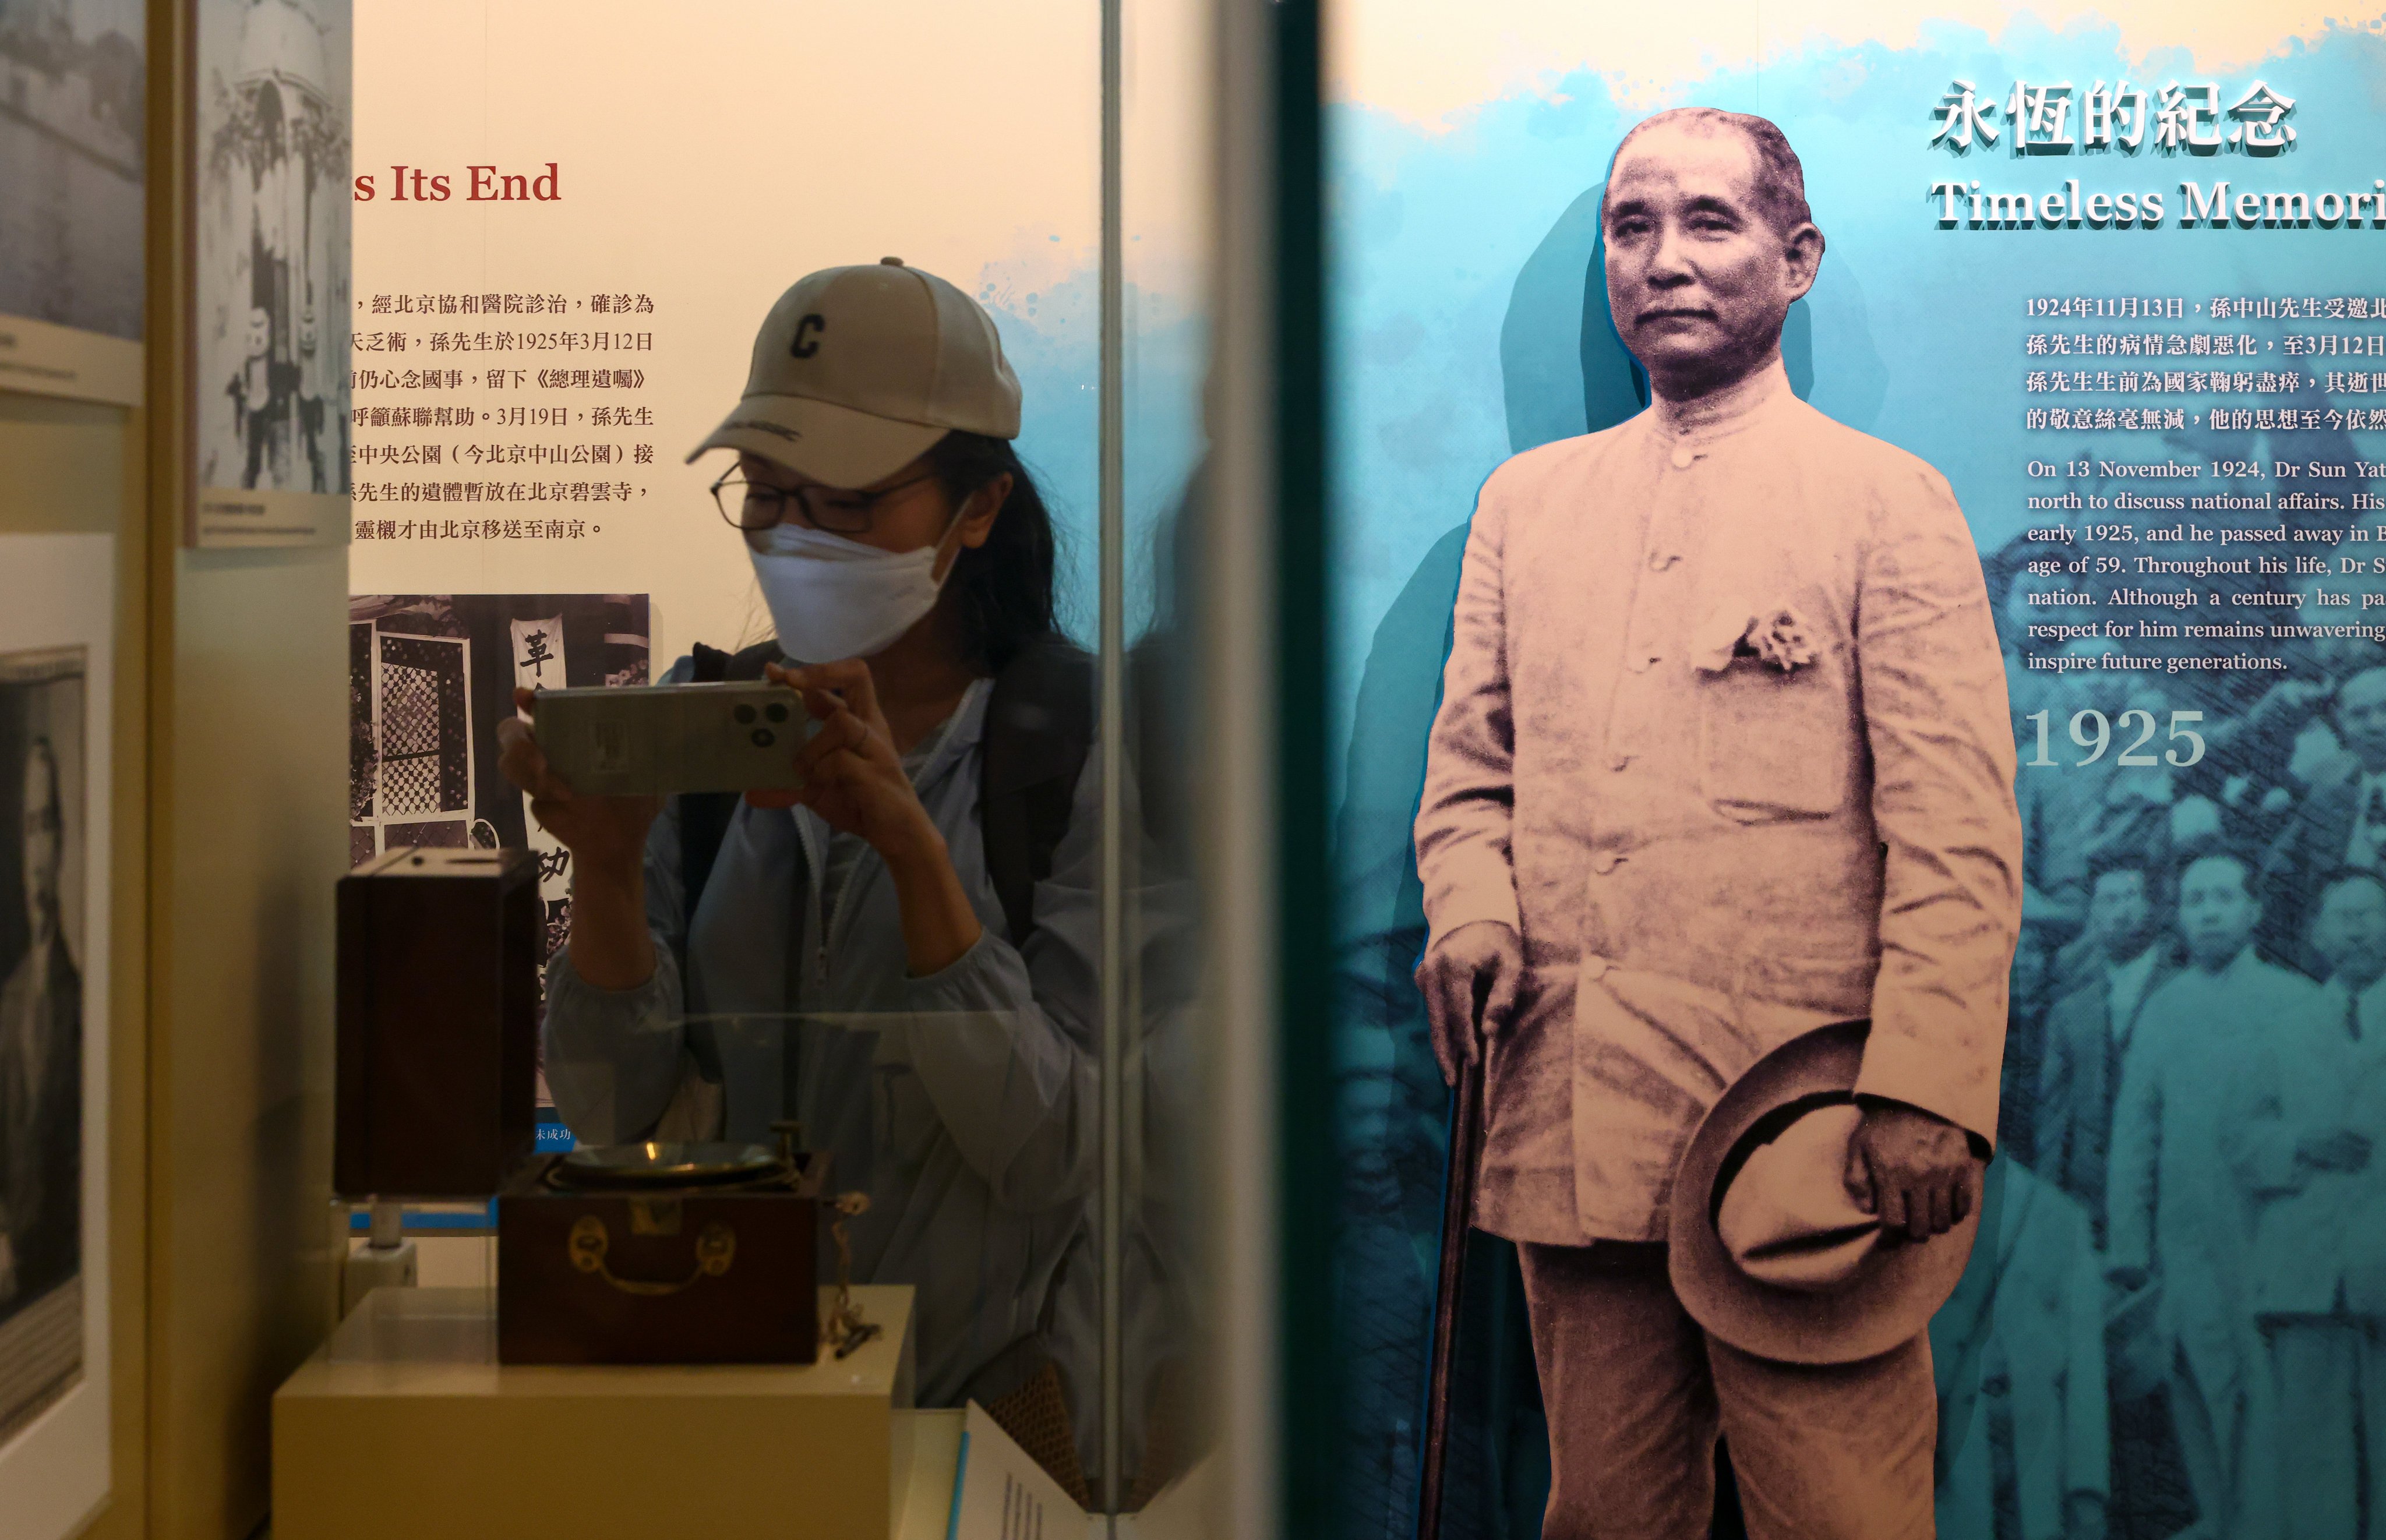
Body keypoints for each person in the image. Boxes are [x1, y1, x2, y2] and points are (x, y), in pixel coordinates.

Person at [1411, 107, 2022, 1537]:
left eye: (1708, 222)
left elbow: (1956, 832)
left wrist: (1926, 1088)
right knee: (1602, 1514)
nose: (1664, 259)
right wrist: (1472, 909)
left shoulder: (1885, 502)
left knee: (1845, 1520)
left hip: (1799, 1145)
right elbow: (1470, 778)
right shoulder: (1524, 506)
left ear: (1796, 259)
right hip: (1570, 1107)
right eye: (1631, 228)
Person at [497, 260, 1134, 1496]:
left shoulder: (1078, 750)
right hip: (727, 1398)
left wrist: (913, 854)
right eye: (767, 493)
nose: (796, 536)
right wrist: (609, 870)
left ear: (979, 506)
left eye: (846, 500)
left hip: (977, 1417)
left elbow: (1057, 1153)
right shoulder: (707, 728)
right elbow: (615, 1114)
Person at [2106, 845, 2318, 1540]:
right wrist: (2129, 1245)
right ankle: (2224, 1517)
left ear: (2254, 909)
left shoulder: (2295, 1001)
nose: (2208, 913)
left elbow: (2321, 1129)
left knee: (2271, 1386)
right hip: (2186, 1239)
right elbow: (2135, 1136)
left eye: (2223, 897)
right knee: (2200, 1380)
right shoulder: (2163, 1011)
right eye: (2194, 901)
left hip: (2275, 1234)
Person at [2236, 867, 2386, 1540]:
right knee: (2311, 1456)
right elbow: (2238, 1140)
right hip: (2305, 1275)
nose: (2355, 930)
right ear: (2316, 934)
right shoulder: (2281, 1030)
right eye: (2340, 916)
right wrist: (2300, 1143)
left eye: (2369, 914)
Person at [2036, 847, 2176, 1247]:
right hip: (2089, 1208)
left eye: (2131, 897)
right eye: (2108, 900)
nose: (2120, 912)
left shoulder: (2186, 992)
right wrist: (2050, 1211)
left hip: (2170, 1201)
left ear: (2154, 907)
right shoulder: (2070, 1012)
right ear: (2093, 914)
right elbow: (2053, 1124)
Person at [0, 738, 81, 1318]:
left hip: (61, 1278)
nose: (37, 848)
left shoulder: (82, 996)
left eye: (48, 824)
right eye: (31, 826)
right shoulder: (10, 996)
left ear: (63, 843)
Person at [2263, 665, 2386, 967]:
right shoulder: (2326, 797)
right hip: (2336, 970)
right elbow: (2276, 884)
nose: (2377, 724)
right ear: (2341, 724)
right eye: (2359, 714)